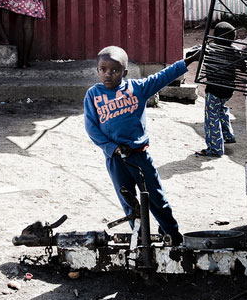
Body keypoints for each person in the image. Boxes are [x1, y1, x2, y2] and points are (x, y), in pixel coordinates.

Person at [83, 44, 202, 244]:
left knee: (156, 199)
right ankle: (140, 239)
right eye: (103, 70)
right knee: (129, 202)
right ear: (97, 70)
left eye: (115, 70)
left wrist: (187, 61)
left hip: (139, 156)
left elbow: (163, 76)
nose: (108, 75)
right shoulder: (93, 95)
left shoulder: (137, 89)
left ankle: (172, 235)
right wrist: (112, 147)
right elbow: (92, 128)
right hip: (115, 160)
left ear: (125, 72)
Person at [195, 22, 247, 157]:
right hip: (228, 90)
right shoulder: (234, 50)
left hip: (214, 89)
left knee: (211, 117)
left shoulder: (210, 49)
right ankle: (228, 135)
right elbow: (243, 67)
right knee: (222, 108)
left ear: (216, 37)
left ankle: (215, 148)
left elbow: (196, 55)